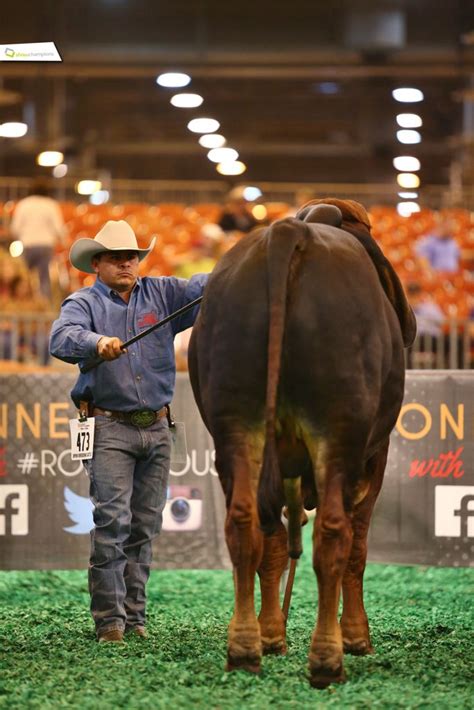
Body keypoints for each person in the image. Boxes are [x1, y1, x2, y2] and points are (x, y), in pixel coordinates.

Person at [49, 220, 208, 643]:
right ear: (96, 263)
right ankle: (110, 622)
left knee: (144, 527)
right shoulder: (82, 302)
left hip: (156, 426)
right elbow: (61, 338)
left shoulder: (163, 292)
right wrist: (97, 343)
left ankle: (134, 618)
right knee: (113, 522)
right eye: (116, 256)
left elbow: (208, 286)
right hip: (107, 427)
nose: (126, 262)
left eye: (132, 255)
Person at [10, 180, 66, 300]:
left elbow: (15, 228)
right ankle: (44, 307)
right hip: (46, 246)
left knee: (24, 277)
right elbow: (59, 228)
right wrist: (64, 240)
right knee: (44, 278)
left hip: (28, 244)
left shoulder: (24, 204)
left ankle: (22, 302)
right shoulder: (51, 205)